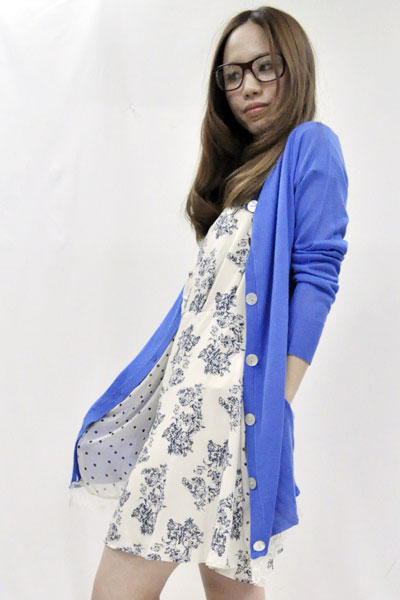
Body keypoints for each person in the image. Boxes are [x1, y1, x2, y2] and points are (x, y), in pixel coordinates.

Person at [69, 6, 349, 599]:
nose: (247, 86)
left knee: (120, 587)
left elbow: (318, 275)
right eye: (233, 74)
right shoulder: (243, 177)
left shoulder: (311, 146)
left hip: (226, 414)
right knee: (229, 592)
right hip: (190, 409)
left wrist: (274, 400)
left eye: (265, 67)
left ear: (294, 66)